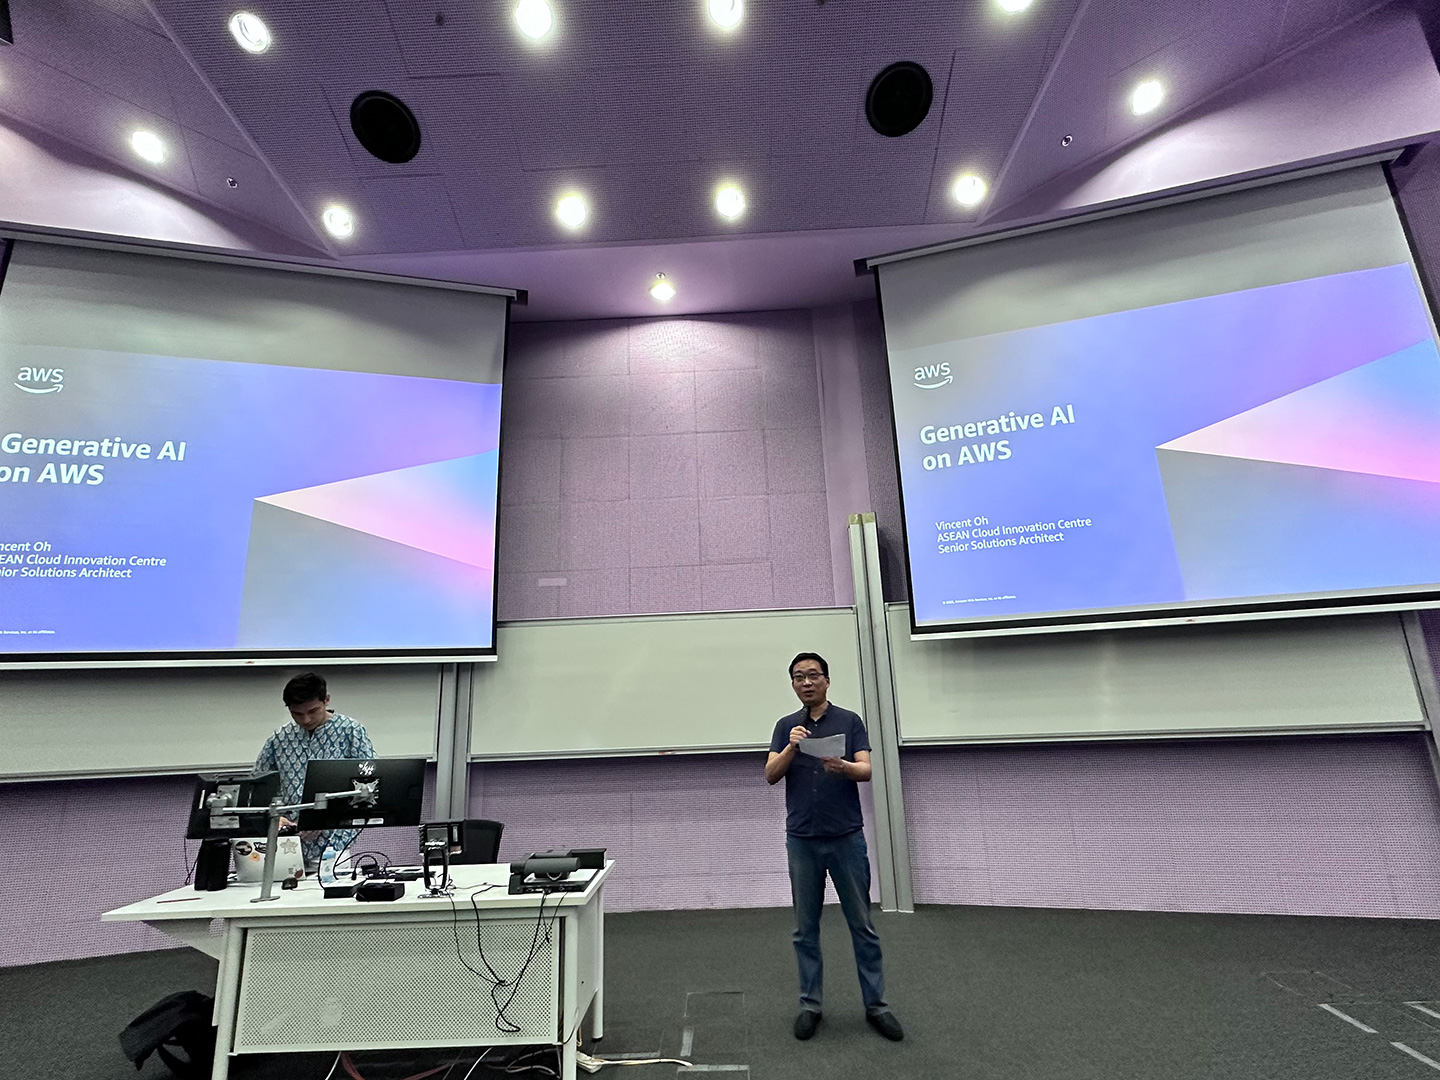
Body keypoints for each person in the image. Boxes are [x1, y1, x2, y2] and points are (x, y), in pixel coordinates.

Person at [765, 652, 903, 1042]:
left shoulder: (849, 721)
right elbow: (770, 774)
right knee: (804, 929)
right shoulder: (786, 727)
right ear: (793, 685)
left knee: (862, 925)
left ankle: (877, 1006)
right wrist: (791, 748)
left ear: (827, 680)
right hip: (802, 841)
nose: (806, 682)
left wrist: (844, 768)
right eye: (798, 677)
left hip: (846, 839)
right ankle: (810, 1005)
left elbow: (866, 769)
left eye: (813, 675)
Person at [253, 672, 374, 869]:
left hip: (334, 842)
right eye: (297, 714)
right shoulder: (279, 738)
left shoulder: (350, 731)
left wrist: (326, 818)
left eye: (313, 711)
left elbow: (368, 782)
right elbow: (259, 784)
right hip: (287, 842)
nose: (306, 719)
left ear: (326, 700)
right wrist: (274, 818)